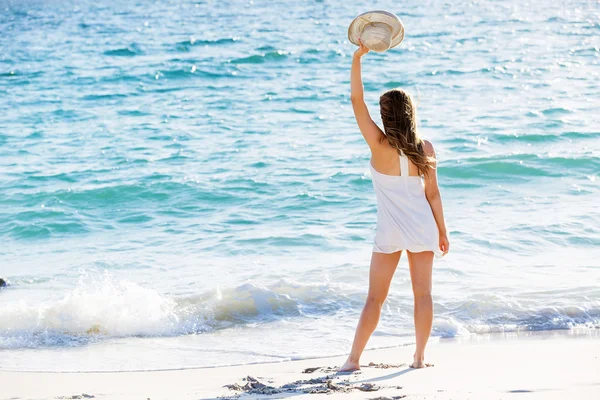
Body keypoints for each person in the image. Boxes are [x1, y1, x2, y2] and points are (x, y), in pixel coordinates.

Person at [339, 39, 449, 372]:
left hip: (389, 231)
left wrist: (357, 58)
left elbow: (356, 99)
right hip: (422, 227)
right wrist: (443, 232)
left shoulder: (377, 144)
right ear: (411, 114)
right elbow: (433, 194)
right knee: (423, 295)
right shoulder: (424, 147)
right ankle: (418, 358)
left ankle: (353, 360)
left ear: (385, 117)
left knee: (375, 298)